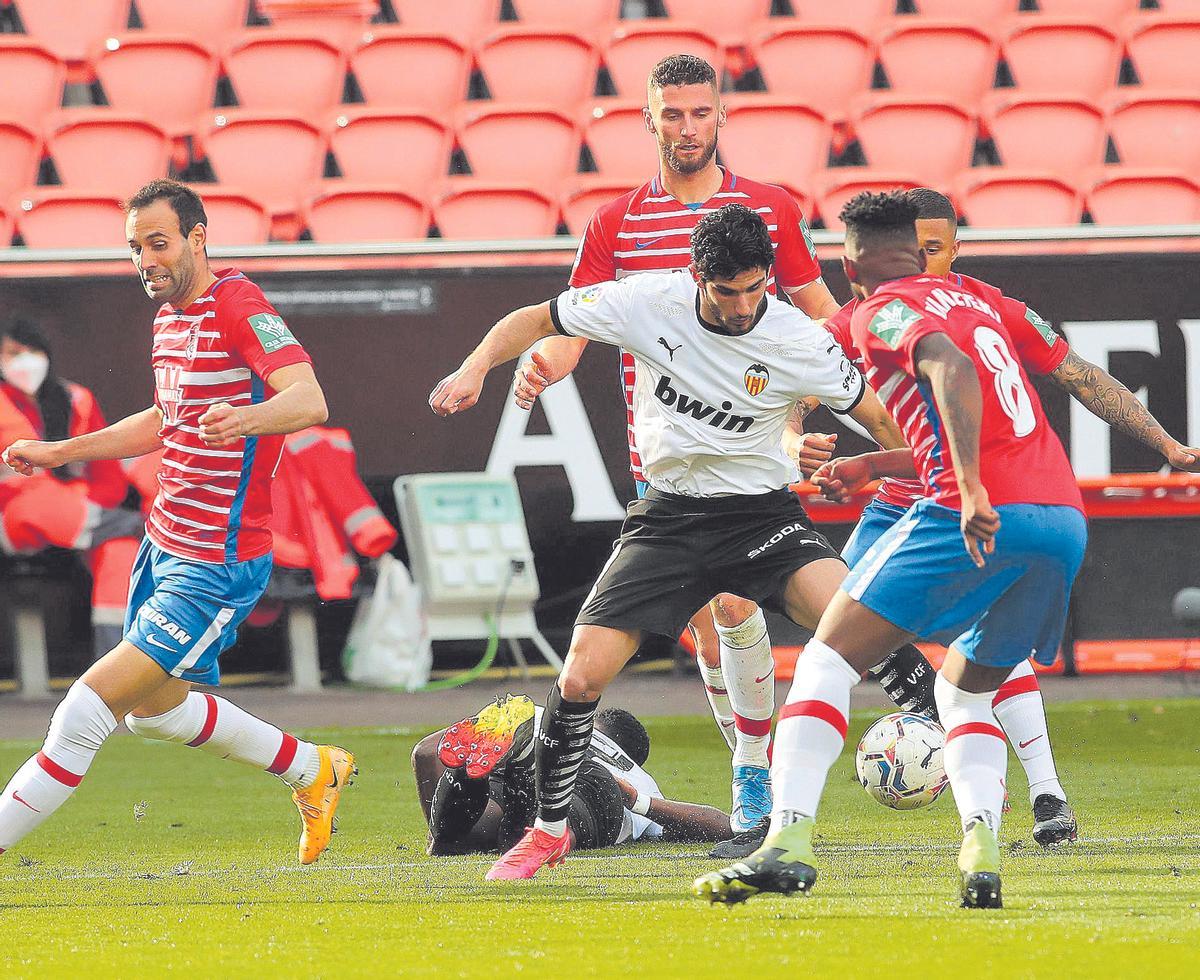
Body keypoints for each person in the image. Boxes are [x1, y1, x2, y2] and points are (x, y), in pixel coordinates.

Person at [511, 54, 936, 837]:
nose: (687, 127)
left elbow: (817, 323)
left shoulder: (769, 209)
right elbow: (571, 329)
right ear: (649, 118)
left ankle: (753, 767)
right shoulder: (615, 223)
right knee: (713, 626)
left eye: (699, 112)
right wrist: (544, 363)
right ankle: (748, 759)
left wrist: (801, 417)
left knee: (742, 606)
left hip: (754, 449)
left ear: (720, 116)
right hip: (667, 460)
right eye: (672, 113)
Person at [430, 203, 909, 881]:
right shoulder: (647, 302)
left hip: (760, 518)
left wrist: (924, 483)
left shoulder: (798, 339)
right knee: (579, 676)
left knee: (863, 620)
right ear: (696, 278)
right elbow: (534, 320)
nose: (743, 307)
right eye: (727, 292)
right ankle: (548, 832)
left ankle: (960, 758)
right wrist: (474, 368)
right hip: (668, 522)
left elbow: (882, 420)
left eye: (755, 289)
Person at [695, 191, 1090, 910]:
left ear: (849, 265)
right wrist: (875, 463)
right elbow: (1019, 392)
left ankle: (785, 840)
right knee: (965, 687)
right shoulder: (980, 302)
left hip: (966, 509)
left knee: (825, 659)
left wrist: (969, 489)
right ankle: (981, 843)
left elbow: (949, 370)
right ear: (919, 246)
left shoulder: (882, 311)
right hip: (1061, 519)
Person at [792, 187, 1200, 849]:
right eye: (916, 247)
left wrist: (1165, 444)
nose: (924, 258)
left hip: (962, 498)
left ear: (953, 249)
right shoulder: (932, 309)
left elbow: (1074, 375)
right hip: (913, 497)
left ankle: (1040, 789)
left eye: (934, 247)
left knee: (871, 650)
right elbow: (797, 383)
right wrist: (804, 442)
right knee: (867, 629)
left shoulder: (958, 305)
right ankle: (971, 767)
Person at [0, 179, 353, 865]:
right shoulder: (169, 318)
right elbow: (166, 420)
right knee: (155, 715)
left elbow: (309, 400)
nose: (146, 260)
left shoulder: (239, 305)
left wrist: (246, 419)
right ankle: (313, 769)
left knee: (83, 713)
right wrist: (60, 452)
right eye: (135, 247)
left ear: (198, 237)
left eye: (158, 243)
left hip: (216, 561)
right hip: (163, 545)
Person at [411, 695, 732, 855]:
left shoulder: (560, 721)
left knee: (458, 838)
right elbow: (722, 825)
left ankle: (470, 776)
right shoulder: (636, 774)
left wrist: (436, 836)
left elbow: (425, 752)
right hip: (596, 785)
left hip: (539, 744)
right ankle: (524, 778)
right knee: (520, 843)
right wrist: (638, 800)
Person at [1, 319, 147, 656]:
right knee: (40, 501)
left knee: (122, 551)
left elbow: (109, 477)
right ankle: (138, 525)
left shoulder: (77, 399)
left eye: (33, 351)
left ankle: (117, 662)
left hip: (83, 520)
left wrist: (83, 499)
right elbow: (28, 483)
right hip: (13, 522)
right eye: (13, 353)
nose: (25, 360)